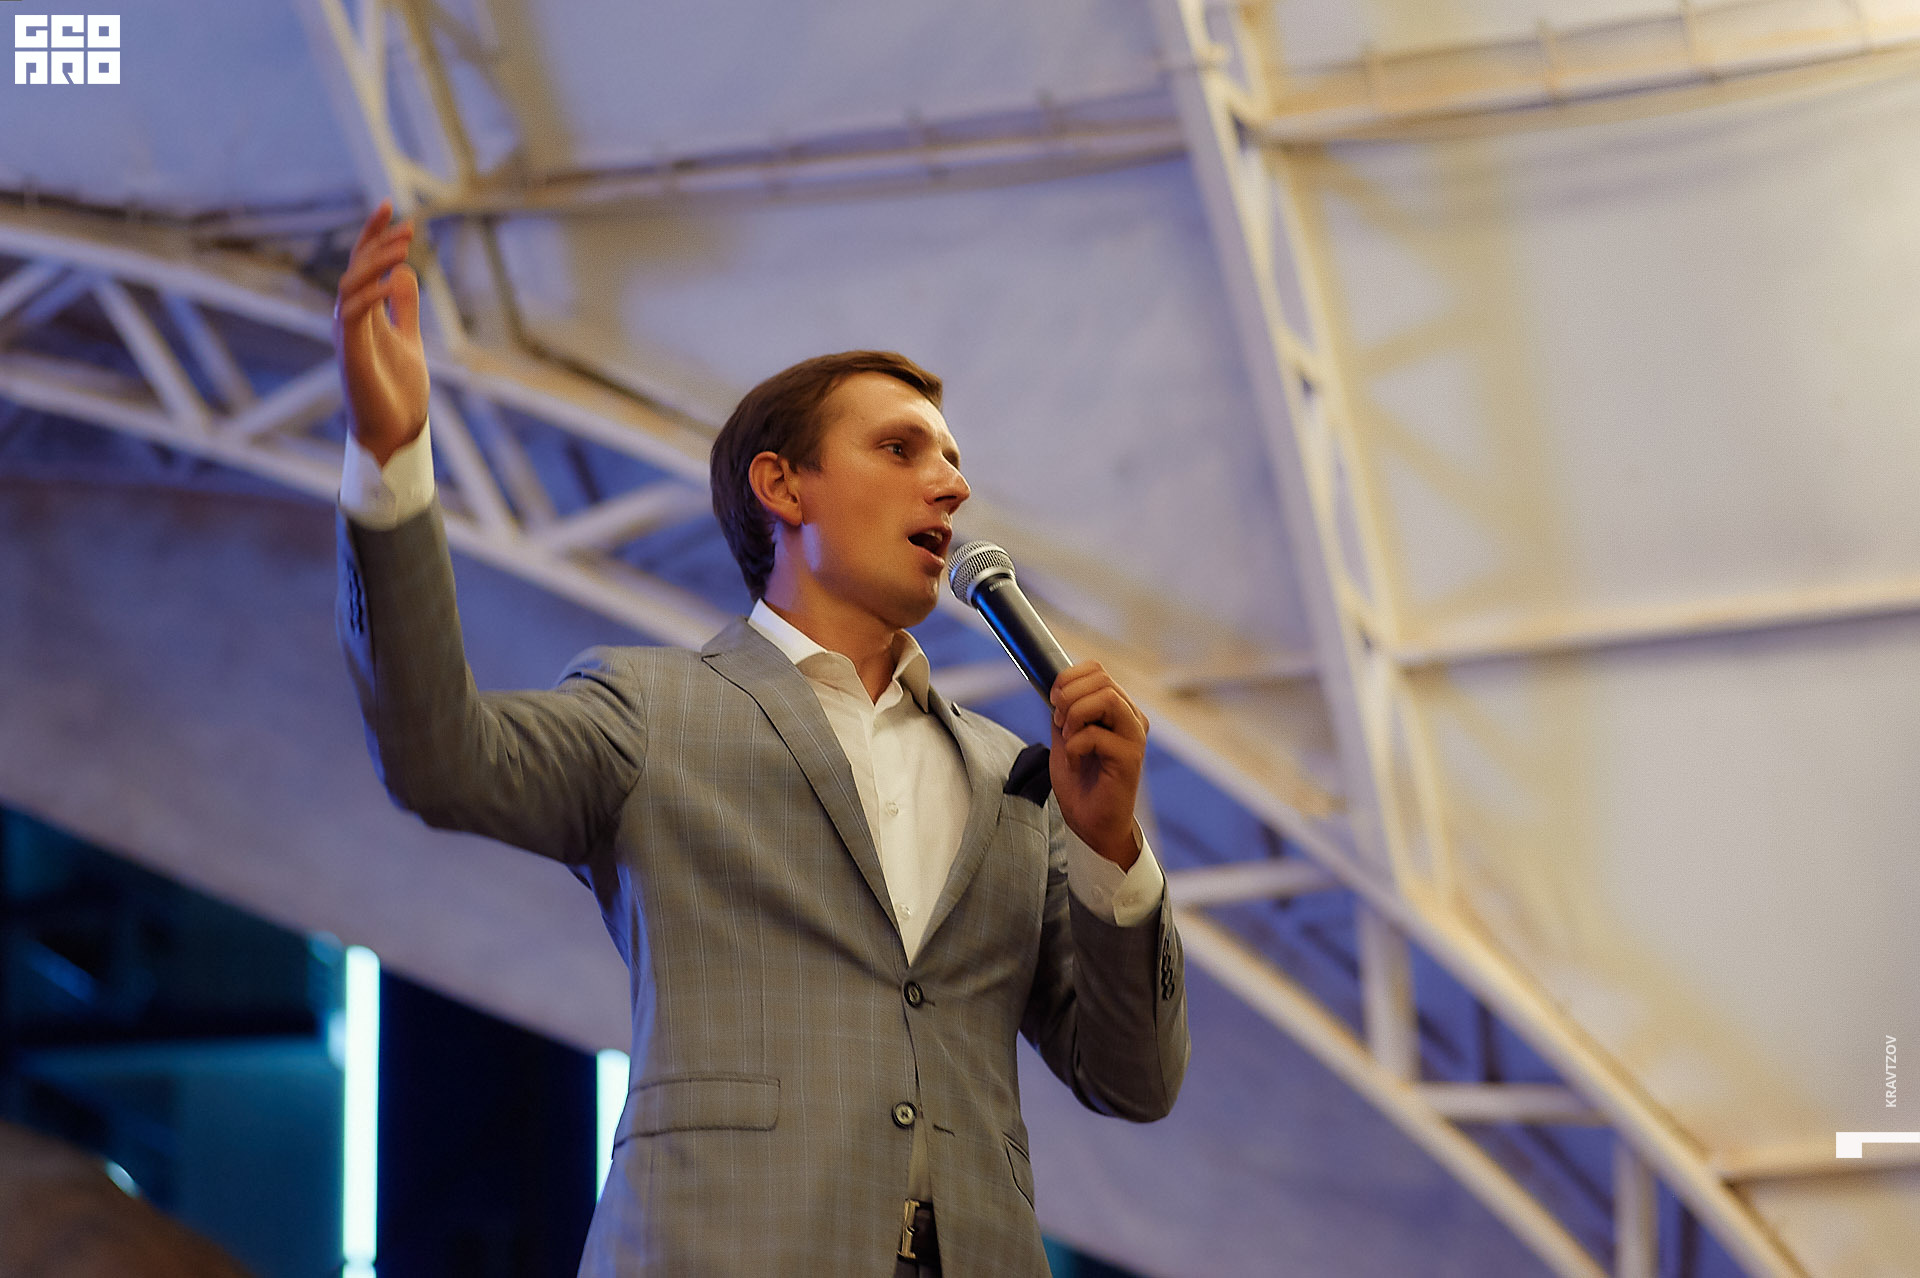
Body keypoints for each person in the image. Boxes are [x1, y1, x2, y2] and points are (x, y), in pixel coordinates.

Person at [332, 200, 1188, 1277]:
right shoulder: (650, 711)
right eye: (900, 448)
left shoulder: (1014, 779)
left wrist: (1112, 851)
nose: (952, 484)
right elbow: (437, 759)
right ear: (783, 486)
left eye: (952, 460)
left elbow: (1133, 1080)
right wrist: (391, 457)